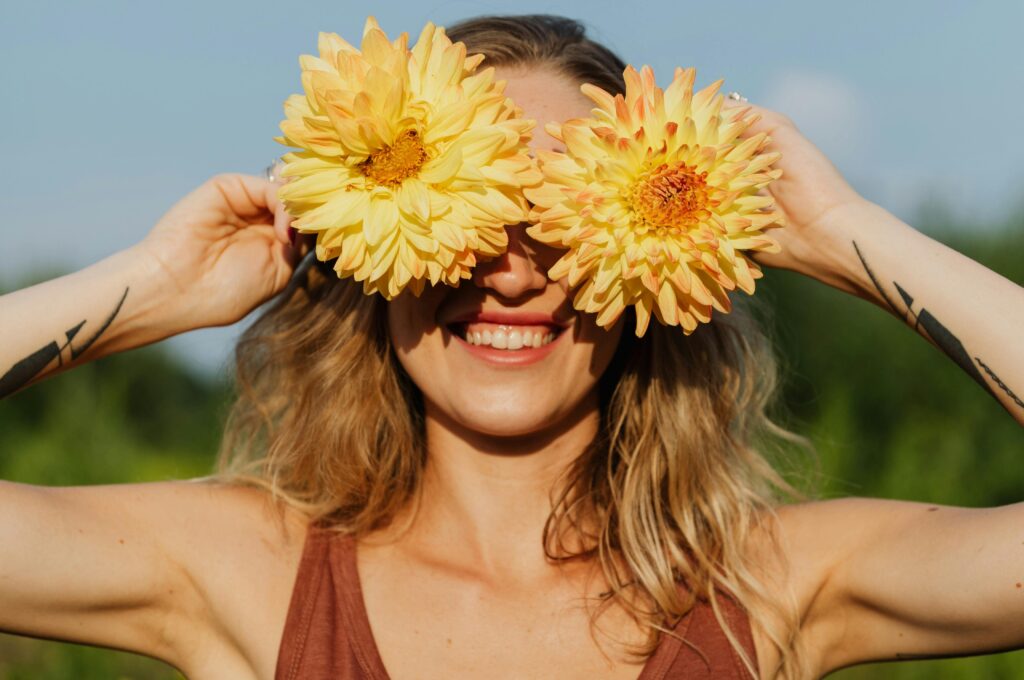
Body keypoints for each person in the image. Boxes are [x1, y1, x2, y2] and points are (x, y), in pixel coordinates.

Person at [1, 13, 1022, 680]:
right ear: (373, 248)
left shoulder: (770, 581)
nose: (513, 271)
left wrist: (842, 231)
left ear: (652, 265)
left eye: (562, 222)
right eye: (470, 220)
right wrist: (150, 289)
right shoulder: (242, 567)